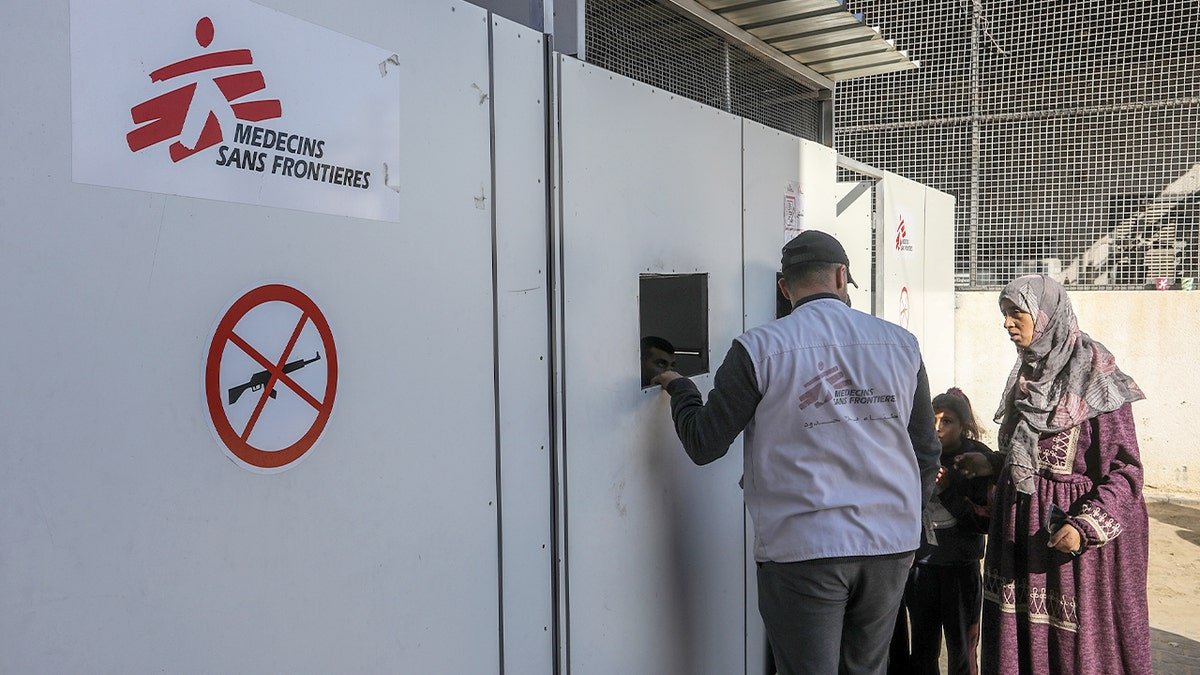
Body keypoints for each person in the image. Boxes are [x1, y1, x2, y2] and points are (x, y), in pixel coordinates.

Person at [652, 229, 941, 675]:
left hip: (805, 549)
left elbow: (704, 443)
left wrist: (680, 387)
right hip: (889, 547)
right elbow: (925, 449)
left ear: (786, 288)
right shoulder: (901, 345)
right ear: (842, 276)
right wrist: (910, 519)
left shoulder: (758, 349)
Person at [954, 275, 1150, 674]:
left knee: (1071, 649)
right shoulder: (1029, 376)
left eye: (1016, 314)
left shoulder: (1097, 378)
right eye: (1004, 315)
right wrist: (995, 464)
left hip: (1068, 548)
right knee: (1017, 642)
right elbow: (1029, 455)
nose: (1007, 324)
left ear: (1046, 316)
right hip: (1017, 541)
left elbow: (1125, 471)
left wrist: (1084, 525)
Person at [904, 388, 997, 675]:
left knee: (962, 650)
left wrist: (947, 491)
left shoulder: (978, 460)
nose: (938, 427)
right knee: (921, 650)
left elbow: (985, 522)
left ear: (964, 426)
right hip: (921, 567)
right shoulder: (915, 452)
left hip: (960, 570)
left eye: (948, 421)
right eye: (933, 419)